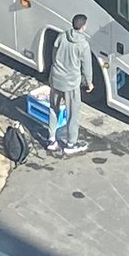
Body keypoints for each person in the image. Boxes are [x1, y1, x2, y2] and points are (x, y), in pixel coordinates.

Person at [46, 14, 93, 155]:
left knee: (54, 109)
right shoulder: (83, 44)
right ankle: (71, 144)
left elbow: (53, 54)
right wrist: (89, 83)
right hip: (71, 84)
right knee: (72, 114)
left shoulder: (62, 36)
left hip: (55, 79)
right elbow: (86, 66)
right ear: (83, 26)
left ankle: (51, 140)